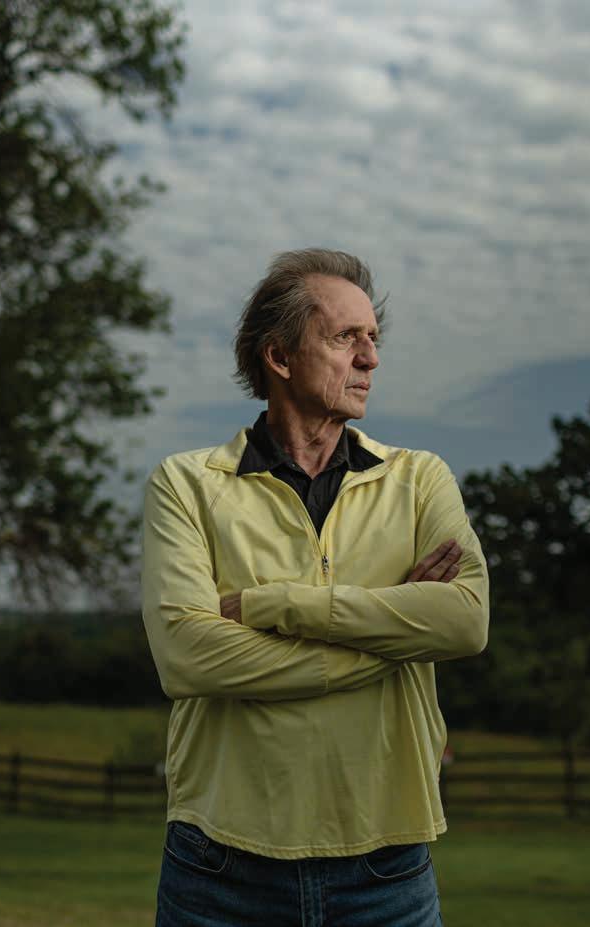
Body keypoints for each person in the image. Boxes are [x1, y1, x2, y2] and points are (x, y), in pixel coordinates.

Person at [141, 247, 489, 927]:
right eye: (345, 338)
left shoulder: (420, 478)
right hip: (219, 867)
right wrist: (392, 639)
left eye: (373, 338)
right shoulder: (186, 484)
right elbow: (187, 656)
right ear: (279, 357)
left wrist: (277, 605)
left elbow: (464, 621)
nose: (371, 359)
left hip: (387, 866)